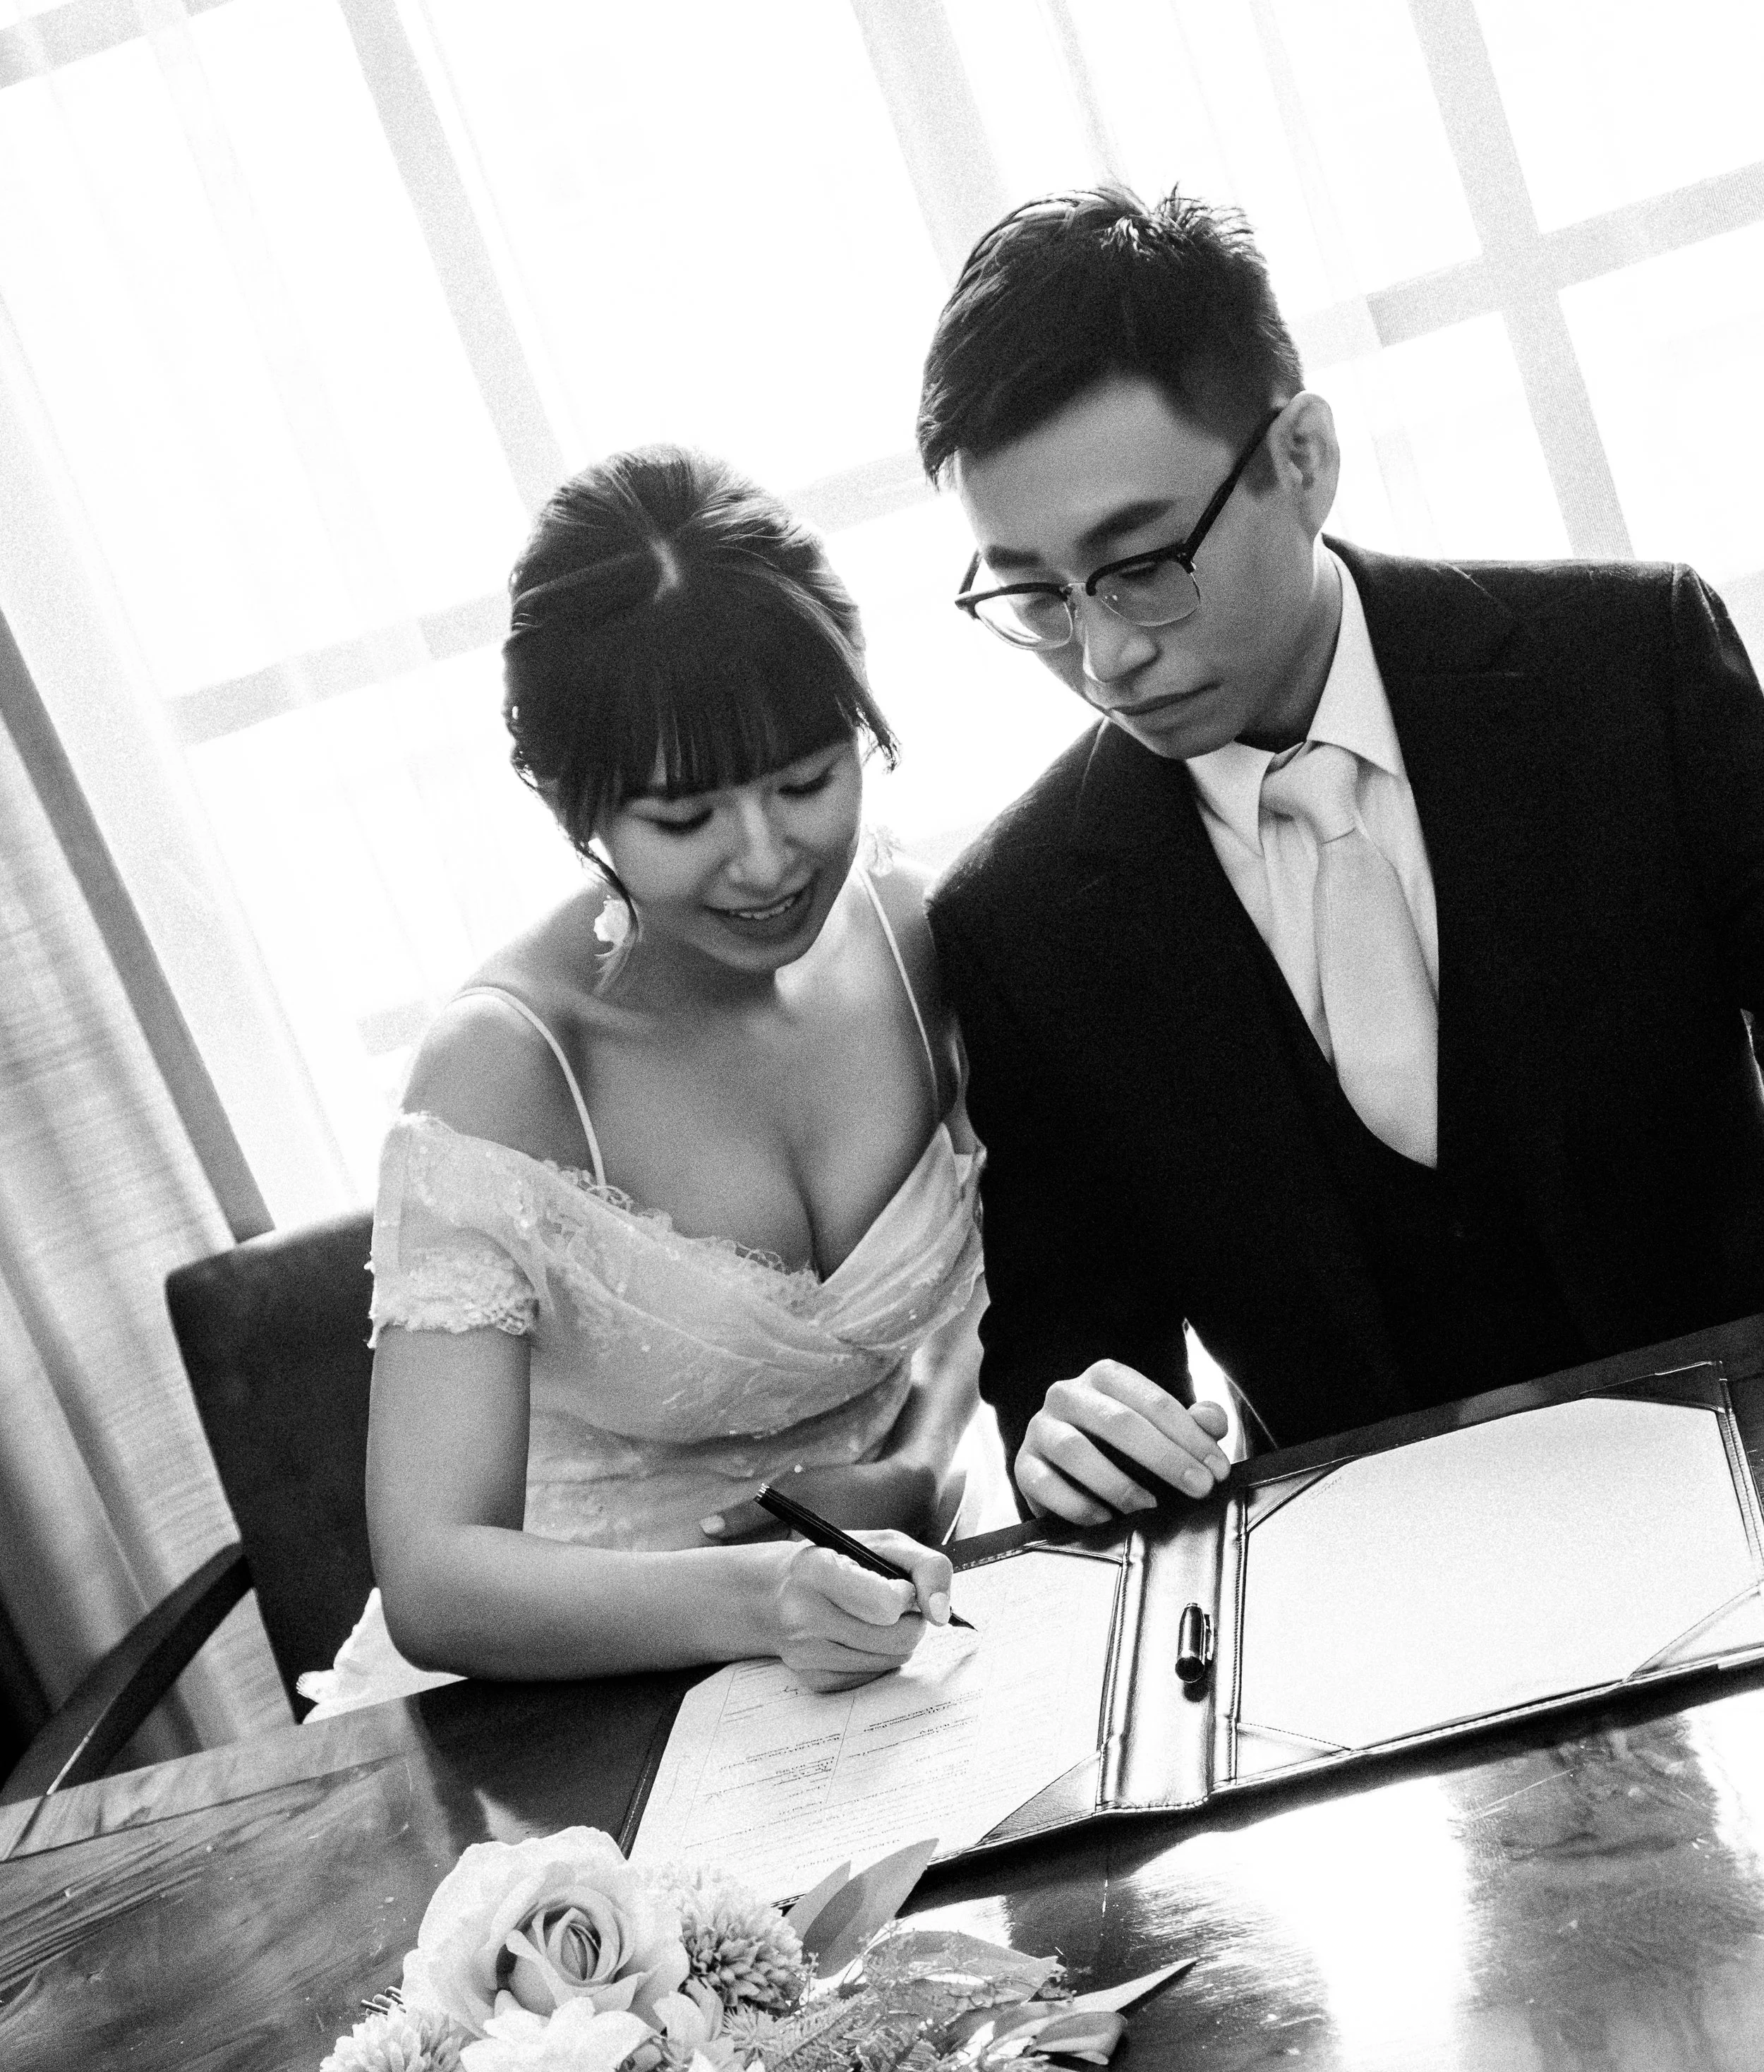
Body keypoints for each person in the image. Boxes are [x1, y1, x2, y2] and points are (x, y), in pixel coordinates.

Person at [919, 184, 1764, 1526]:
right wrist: (1077, 1437)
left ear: (1301, 458)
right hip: (1374, 1609)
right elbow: (1074, 1365)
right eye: (1032, 596)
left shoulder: (1633, 670)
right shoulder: (1021, 920)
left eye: (1139, 563)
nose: (1104, 654)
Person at [298, 447, 984, 1716]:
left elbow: (976, 1280)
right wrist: (770, 1594)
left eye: (806, 779)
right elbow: (436, 1579)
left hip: (894, 1614)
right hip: (567, 1705)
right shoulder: (506, 1068)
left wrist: (921, 1465)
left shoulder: (902, 922)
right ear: (577, 807)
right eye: (686, 820)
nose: (770, 859)